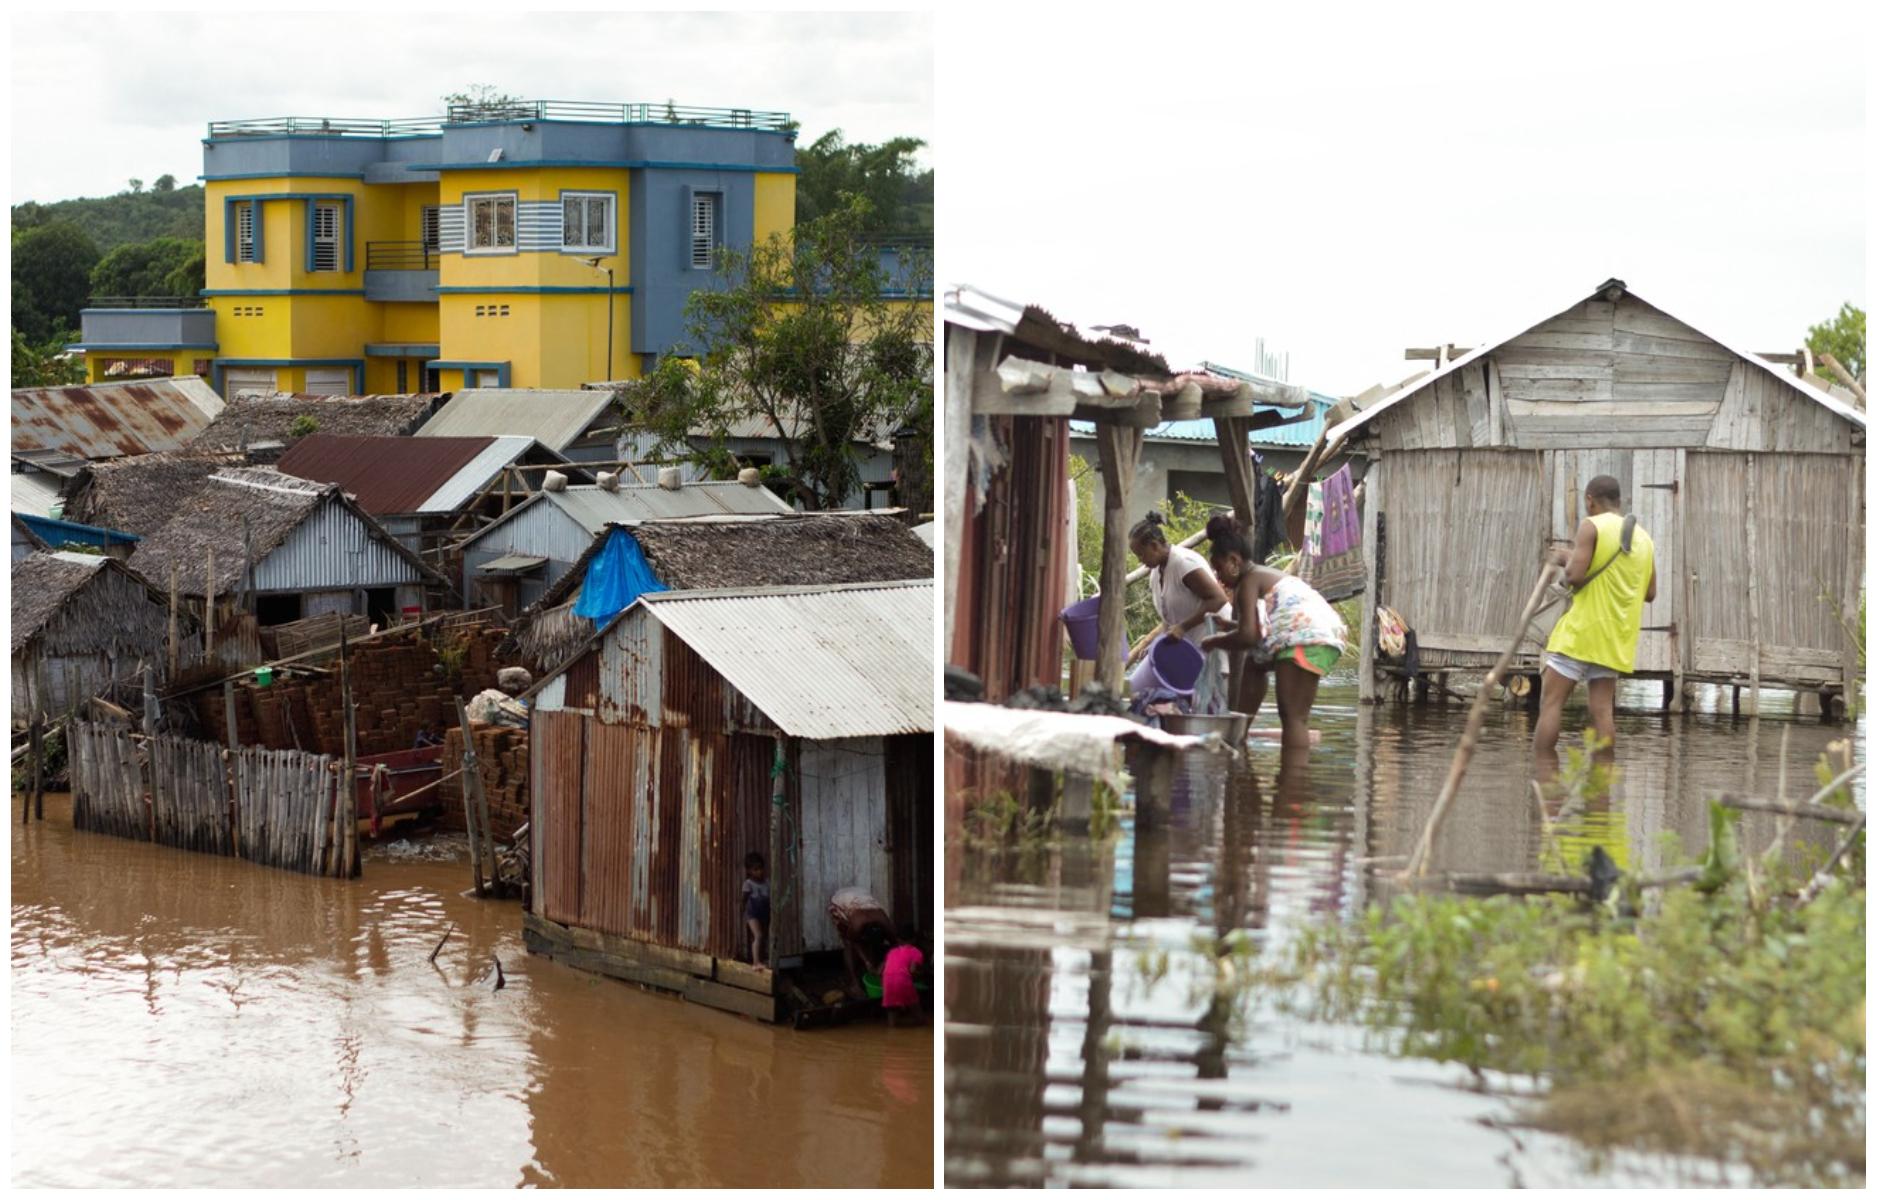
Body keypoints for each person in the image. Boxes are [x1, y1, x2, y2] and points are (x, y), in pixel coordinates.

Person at [1533, 475, 1656, 777]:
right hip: (1615, 638)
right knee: (1602, 711)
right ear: (1619, 500)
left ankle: (1543, 779)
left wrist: (1566, 557)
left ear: (1590, 500)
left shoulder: (1592, 526)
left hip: (1582, 632)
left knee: (1551, 704)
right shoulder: (1644, 538)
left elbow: (1574, 576)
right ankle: (1601, 790)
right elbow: (1651, 594)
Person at [1200, 515, 1345, 751]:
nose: (1219, 579)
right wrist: (1229, 628)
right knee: (1255, 663)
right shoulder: (1260, 576)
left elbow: (1248, 637)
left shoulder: (1248, 582)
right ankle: (1240, 737)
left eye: (1218, 570)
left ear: (1234, 561)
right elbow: (1258, 631)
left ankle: (1292, 785)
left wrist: (1214, 641)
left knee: (1293, 717)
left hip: (1306, 638)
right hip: (1312, 633)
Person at [1125, 511, 1232, 713]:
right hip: (1190, 649)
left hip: (1215, 638)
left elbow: (1218, 599)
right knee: (1150, 700)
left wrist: (1183, 627)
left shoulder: (1184, 563)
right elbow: (1169, 619)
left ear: (1155, 546)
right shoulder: (1156, 573)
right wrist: (1160, 642)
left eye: (1141, 554)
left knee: (1214, 710)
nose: (1140, 560)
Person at [828, 887, 895, 997]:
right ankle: (853, 983)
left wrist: (884, 962)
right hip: (841, 901)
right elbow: (854, 943)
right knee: (848, 945)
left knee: (868, 947)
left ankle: (870, 972)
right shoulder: (856, 926)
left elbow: (895, 945)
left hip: (861, 899)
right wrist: (866, 961)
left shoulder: (886, 924)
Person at [880, 923, 926, 1027]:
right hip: (903, 981)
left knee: (892, 1018)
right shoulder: (916, 952)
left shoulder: (891, 952)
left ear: (898, 939)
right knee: (919, 1016)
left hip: (887, 983)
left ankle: (892, 1029)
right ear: (914, 939)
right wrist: (921, 974)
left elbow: (881, 970)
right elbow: (913, 970)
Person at [742, 852, 771, 968]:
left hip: (764, 913)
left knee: (763, 937)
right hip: (752, 914)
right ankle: (755, 962)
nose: (759, 872)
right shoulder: (748, 884)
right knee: (758, 935)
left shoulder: (767, 882)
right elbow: (743, 899)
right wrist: (744, 913)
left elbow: (770, 897)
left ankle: (762, 959)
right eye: (756, 869)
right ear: (749, 871)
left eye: (760, 868)